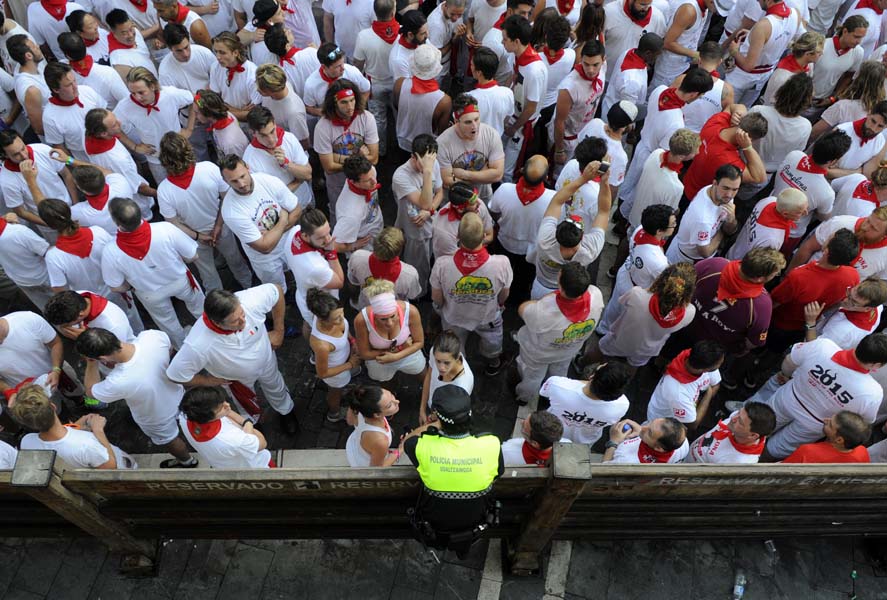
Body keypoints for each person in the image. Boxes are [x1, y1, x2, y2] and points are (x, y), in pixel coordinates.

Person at [166, 285, 300, 434]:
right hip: (237, 381)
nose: (243, 321)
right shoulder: (198, 344)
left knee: (276, 385)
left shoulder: (250, 301)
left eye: (242, 314)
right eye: (235, 321)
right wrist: (208, 381)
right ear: (217, 323)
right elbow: (175, 374)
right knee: (244, 403)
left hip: (267, 360)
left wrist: (278, 331)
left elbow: (277, 291)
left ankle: (285, 410)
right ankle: (252, 423)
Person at [747, 333, 886, 460]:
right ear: (877, 365)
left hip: (789, 398)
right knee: (776, 449)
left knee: (756, 426)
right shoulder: (872, 393)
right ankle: (752, 466)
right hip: (814, 424)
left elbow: (789, 363)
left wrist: (787, 375)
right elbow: (862, 422)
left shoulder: (823, 346)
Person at [403, 384, 503, 558]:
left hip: (433, 525)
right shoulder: (491, 444)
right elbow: (498, 473)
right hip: (474, 523)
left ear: (436, 416)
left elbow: (408, 441)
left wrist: (433, 424)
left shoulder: (420, 446)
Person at [78, 327, 197, 468]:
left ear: (103, 358)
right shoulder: (152, 336)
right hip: (178, 395)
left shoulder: (117, 381)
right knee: (192, 420)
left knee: (169, 439)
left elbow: (91, 391)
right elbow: (169, 348)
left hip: (154, 415)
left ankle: (187, 461)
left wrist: (91, 363)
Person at [101, 197, 204, 350]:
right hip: (180, 280)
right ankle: (211, 331)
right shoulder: (165, 229)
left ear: (116, 222)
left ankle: (183, 347)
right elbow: (193, 256)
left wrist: (132, 286)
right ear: (139, 212)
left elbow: (116, 287)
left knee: (168, 323)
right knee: (200, 308)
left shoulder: (110, 251)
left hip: (149, 292)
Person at [157, 132, 253, 292]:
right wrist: (217, 227)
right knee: (235, 260)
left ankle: (220, 305)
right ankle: (248, 286)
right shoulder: (209, 168)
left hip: (194, 238)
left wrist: (199, 236)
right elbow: (226, 199)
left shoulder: (163, 190)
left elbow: (173, 223)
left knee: (207, 273)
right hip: (222, 227)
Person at [431, 212, 513, 376]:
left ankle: (458, 370)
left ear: (458, 236)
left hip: (453, 316)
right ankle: (493, 363)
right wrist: (499, 305)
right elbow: (504, 294)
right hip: (487, 316)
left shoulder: (442, 264)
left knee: (455, 344)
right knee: (492, 341)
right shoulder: (501, 263)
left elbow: (436, 298)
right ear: (484, 236)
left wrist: (441, 309)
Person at [618, 68, 713, 206]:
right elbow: (664, 153)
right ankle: (621, 218)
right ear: (693, 94)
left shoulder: (660, 90)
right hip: (652, 156)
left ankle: (618, 212)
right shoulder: (676, 122)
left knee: (629, 182)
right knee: (638, 193)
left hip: (642, 144)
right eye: (700, 96)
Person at [515, 262, 604, 405]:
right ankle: (553, 395)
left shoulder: (544, 310)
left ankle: (524, 397)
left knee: (532, 377)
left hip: (539, 353)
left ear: (561, 288)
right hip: (569, 350)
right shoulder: (596, 295)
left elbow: (522, 309)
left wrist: (547, 298)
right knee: (559, 373)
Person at [767, 229, 861, 352]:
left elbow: (773, 302)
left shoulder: (799, 277)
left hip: (778, 323)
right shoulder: (853, 276)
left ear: (826, 251)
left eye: (828, 238)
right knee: (775, 352)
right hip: (804, 327)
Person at [527, 163, 609, 299]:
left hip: (541, 288)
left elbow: (557, 201)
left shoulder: (545, 239)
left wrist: (583, 178)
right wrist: (604, 182)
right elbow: (604, 212)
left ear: (556, 232)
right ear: (582, 237)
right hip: (570, 294)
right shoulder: (589, 250)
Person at [219, 154, 302, 289]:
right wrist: (283, 218)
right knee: (277, 291)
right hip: (266, 260)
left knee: (300, 276)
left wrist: (270, 235)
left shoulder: (268, 181)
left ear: (248, 168)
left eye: (242, 176)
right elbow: (264, 247)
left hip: (290, 242)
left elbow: (297, 210)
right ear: (225, 181)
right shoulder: (230, 210)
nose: (241, 184)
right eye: (234, 181)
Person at [595, 262, 697, 371]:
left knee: (601, 350)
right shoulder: (690, 312)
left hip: (621, 338)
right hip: (647, 349)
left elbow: (622, 303)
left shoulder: (637, 295)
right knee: (632, 367)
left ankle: (581, 363)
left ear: (662, 279)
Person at [12, 384, 137, 469]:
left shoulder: (26, 442)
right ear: (53, 407)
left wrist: (75, 427)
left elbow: (57, 441)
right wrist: (98, 431)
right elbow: (111, 467)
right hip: (120, 467)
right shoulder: (86, 444)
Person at [771, 129, 852, 255]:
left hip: (768, 209)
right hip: (789, 234)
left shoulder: (794, 155)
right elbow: (823, 217)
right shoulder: (826, 192)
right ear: (833, 161)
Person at [600, 204, 676, 335]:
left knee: (613, 307)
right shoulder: (657, 261)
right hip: (634, 287)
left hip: (627, 272)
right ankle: (609, 334)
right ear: (659, 231)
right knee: (623, 317)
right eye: (673, 224)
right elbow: (665, 282)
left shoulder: (641, 229)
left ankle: (603, 328)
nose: (675, 226)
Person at [314, 79, 380, 223]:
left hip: (366, 180)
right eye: (344, 102)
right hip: (338, 184)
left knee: (370, 214)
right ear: (334, 103)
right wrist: (360, 157)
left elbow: (374, 158)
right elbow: (329, 168)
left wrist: (336, 157)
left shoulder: (367, 118)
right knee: (339, 215)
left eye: (352, 100)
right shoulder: (322, 127)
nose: (350, 106)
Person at [115, 68, 194, 184]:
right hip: (155, 158)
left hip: (180, 151)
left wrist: (189, 129)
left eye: (141, 92)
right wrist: (134, 147)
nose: (137, 97)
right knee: (165, 187)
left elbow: (196, 99)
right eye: (133, 93)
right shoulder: (125, 106)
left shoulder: (170, 94)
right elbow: (112, 127)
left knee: (190, 183)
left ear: (152, 86)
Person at [681, 107, 769, 204]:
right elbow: (760, 177)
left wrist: (737, 112)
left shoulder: (717, 122)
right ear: (749, 138)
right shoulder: (728, 160)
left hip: (686, 180)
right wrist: (748, 147)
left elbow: (732, 106)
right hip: (699, 199)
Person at [724, 0, 803, 107]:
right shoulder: (795, 14)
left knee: (723, 111)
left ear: (769, 2)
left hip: (740, 78)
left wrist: (734, 50)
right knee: (743, 111)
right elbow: (780, 38)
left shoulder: (763, 26)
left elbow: (748, 66)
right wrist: (754, 36)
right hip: (762, 76)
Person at [0, 129, 75, 240]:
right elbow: (20, 211)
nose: (24, 156)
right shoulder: (6, 179)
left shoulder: (42, 150)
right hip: (48, 226)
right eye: (16, 154)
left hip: (71, 209)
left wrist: (76, 203)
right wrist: (50, 224)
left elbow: (66, 174)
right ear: (4, 155)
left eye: (23, 148)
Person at [391, 134, 443, 292]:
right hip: (414, 231)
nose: (430, 165)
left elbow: (439, 192)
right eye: (425, 162)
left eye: (431, 161)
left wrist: (431, 211)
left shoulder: (432, 163)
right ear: (413, 156)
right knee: (417, 267)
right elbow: (424, 203)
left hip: (432, 224)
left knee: (432, 259)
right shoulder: (401, 176)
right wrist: (427, 172)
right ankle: (417, 294)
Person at [179, 386, 273, 469]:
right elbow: (262, 442)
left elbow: (227, 412)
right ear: (209, 417)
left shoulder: (186, 416)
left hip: (225, 465)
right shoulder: (232, 440)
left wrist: (242, 422)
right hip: (256, 466)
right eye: (221, 408)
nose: (227, 405)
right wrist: (248, 423)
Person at [501, 15, 547, 183]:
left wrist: (514, 127)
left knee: (508, 170)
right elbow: (513, 77)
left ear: (517, 41)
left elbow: (531, 107)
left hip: (522, 123)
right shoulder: (518, 56)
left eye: (505, 39)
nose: (502, 43)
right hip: (513, 113)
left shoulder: (534, 71)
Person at [666, 164, 742, 264]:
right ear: (715, 183)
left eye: (735, 189)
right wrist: (722, 232)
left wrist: (731, 219)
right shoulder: (702, 218)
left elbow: (731, 229)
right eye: (726, 188)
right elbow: (705, 252)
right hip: (686, 260)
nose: (729, 195)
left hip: (700, 247)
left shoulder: (718, 193)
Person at [437, 93, 506, 203]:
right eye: (468, 122)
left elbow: (497, 174)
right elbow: (447, 180)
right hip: (454, 202)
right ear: (456, 122)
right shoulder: (442, 143)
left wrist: (464, 174)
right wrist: (485, 173)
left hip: (483, 197)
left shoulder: (491, 135)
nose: (474, 126)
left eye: (476, 119)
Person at [355, 279, 427, 384]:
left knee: (422, 373)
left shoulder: (411, 311)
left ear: (398, 311)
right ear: (374, 316)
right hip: (382, 360)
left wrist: (395, 356)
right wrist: (399, 350)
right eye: (383, 319)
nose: (389, 323)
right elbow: (364, 353)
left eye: (393, 316)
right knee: (385, 383)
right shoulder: (361, 320)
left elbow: (420, 342)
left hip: (401, 355)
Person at [541, 362, 632, 445]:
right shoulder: (622, 405)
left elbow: (543, 393)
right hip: (586, 442)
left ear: (592, 376)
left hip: (552, 432)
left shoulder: (559, 385)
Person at [0, 311, 78, 406]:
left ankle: (85, 403)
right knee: (53, 412)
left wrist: (56, 370)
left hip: (58, 369)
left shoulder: (27, 319)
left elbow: (55, 343)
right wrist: (9, 391)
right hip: (30, 391)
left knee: (76, 392)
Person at [788, 206, 887, 280]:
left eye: (873, 228)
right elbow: (808, 248)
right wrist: (787, 276)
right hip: (804, 278)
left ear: (884, 236)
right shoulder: (841, 222)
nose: (865, 227)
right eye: (868, 220)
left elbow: (876, 284)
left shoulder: (884, 255)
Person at [353, 0, 399, 157]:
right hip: (397, 83)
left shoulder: (363, 36)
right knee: (399, 115)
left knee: (378, 119)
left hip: (375, 84)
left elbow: (357, 64)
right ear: (393, 12)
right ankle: (401, 145)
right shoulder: (402, 33)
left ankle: (380, 150)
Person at [284, 208, 343, 330]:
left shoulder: (295, 231)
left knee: (310, 326)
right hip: (320, 305)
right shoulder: (315, 267)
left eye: (328, 232)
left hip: (304, 293)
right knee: (329, 331)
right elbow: (339, 282)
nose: (328, 239)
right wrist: (332, 252)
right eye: (321, 237)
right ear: (305, 236)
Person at [243, 106, 313, 207]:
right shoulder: (250, 158)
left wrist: (287, 164)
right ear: (253, 133)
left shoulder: (289, 138)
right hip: (282, 210)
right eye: (264, 135)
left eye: (272, 131)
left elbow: (307, 175)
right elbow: (266, 197)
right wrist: (296, 183)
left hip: (305, 201)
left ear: (275, 123)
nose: (271, 140)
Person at [308, 289, 361, 423]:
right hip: (336, 372)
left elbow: (344, 330)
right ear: (321, 319)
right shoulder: (321, 344)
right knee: (335, 391)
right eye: (337, 318)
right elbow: (323, 373)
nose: (342, 319)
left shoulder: (332, 315)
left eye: (342, 314)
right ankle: (334, 413)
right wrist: (350, 364)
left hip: (346, 360)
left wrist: (352, 340)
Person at [549, 40, 605, 166]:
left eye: (595, 65)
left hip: (583, 131)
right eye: (586, 64)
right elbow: (559, 121)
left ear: (603, 60)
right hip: (567, 138)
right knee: (559, 171)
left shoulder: (603, 69)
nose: (591, 70)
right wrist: (559, 150)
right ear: (581, 60)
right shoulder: (569, 87)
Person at [646, 340, 724, 431]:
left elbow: (716, 383)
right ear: (706, 369)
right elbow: (692, 424)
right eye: (719, 364)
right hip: (661, 424)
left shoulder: (694, 357)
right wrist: (708, 394)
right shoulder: (678, 393)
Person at [41, 62, 106, 163]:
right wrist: (74, 166)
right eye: (69, 85)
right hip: (86, 160)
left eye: (74, 80)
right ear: (56, 89)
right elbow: (60, 149)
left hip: (109, 147)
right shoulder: (50, 117)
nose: (75, 86)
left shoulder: (87, 91)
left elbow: (107, 114)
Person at [393, 44, 451, 154]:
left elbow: (397, 107)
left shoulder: (399, 84)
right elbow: (442, 132)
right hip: (426, 149)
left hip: (403, 141)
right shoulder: (444, 101)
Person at [348, 227, 422, 309]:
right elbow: (413, 295)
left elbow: (353, 282)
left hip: (367, 307)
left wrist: (354, 301)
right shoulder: (409, 274)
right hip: (393, 312)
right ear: (399, 251)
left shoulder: (357, 257)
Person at [725, 189, 809, 260]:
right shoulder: (772, 239)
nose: (806, 213)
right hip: (737, 265)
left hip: (734, 250)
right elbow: (755, 265)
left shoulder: (769, 201)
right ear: (785, 214)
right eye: (800, 212)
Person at [650, 0, 714, 90]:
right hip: (668, 66)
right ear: (711, 2)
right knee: (656, 93)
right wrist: (694, 54)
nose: (717, 13)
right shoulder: (689, 11)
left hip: (681, 64)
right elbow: (667, 43)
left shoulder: (704, 9)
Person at [57, 32, 129, 109]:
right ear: (84, 44)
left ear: (67, 55)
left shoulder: (63, 75)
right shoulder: (108, 72)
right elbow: (126, 100)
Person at [688, 402, 776, 464]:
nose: (733, 417)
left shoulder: (737, 463)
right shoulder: (739, 418)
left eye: (740, 422)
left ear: (753, 435)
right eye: (738, 412)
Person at [813, 278, 887, 349]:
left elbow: (814, 347)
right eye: (849, 293)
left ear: (867, 309)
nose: (845, 300)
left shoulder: (842, 331)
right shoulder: (877, 305)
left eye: (853, 302)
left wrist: (810, 323)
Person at [0, 212, 53, 312]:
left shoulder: (15, 231)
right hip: (46, 277)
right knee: (69, 304)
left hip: (23, 282)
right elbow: (48, 252)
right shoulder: (19, 231)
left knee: (49, 311)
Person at [602, 33, 662, 119]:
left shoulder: (629, 52)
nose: (657, 58)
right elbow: (627, 111)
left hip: (611, 102)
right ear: (648, 53)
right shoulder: (632, 81)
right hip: (617, 119)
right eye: (657, 55)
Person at [420, 330, 475, 425]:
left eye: (446, 363)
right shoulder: (435, 352)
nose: (441, 367)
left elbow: (452, 413)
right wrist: (422, 409)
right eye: (438, 361)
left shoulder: (463, 386)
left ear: (457, 358)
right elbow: (429, 376)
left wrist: (432, 420)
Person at [602, 0, 667, 81]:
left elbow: (658, 45)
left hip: (633, 80)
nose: (646, 9)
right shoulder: (609, 12)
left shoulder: (657, 18)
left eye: (649, 4)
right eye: (642, 4)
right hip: (605, 74)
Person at [333, 155, 384, 255]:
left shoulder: (369, 172)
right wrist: (353, 245)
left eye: (373, 176)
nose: (374, 181)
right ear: (353, 182)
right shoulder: (351, 215)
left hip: (376, 229)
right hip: (365, 248)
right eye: (368, 180)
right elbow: (335, 245)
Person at [432, 180, 496, 258]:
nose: (479, 204)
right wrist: (477, 244)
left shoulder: (479, 206)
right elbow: (450, 261)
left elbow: (490, 235)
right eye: (473, 203)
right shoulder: (444, 231)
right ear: (461, 209)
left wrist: (473, 245)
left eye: (477, 199)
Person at [302, 43, 372, 115]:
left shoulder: (352, 72)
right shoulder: (311, 84)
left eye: (343, 63)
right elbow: (309, 108)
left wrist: (357, 110)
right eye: (338, 66)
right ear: (324, 67)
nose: (343, 68)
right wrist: (328, 114)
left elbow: (366, 90)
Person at [345, 385, 405, 467]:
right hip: (365, 463)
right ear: (377, 414)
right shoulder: (381, 441)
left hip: (355, 446)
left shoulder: (359, 407)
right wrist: (401, 449)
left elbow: (350, 421)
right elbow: (378, 468)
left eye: (391, 395)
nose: (397, 401)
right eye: (389, 405)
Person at [43, 290, 136, 343]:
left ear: (80, 315)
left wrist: (85, 340)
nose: (64, 328)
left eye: (66, 325)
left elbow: (113, 359)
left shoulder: (112, 325)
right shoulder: (78, 296)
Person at [782, 411, 872, 463]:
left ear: (839, 440)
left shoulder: (808, 451)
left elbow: (781, 472)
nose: (825, 420)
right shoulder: (862, 452)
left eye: (830, 424)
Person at [208, 32, 260, 122]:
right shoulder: (215, 67)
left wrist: (225, 109)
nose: (218, 57)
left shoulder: (252, 74)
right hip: (226, 119)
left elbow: (254, 113)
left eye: (222, 53)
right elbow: (215, 100)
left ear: (235, 52)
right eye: (216, 52)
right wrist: (239, 112)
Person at [829, 102, 887, 179]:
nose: (873, 128)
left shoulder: (881, 143)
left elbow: (867, 175)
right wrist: (857, 172)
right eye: (873, 121)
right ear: (869, 113)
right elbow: (824, 170)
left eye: (880, 126)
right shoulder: (841, 130)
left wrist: (837, 172)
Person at [469, 47, 514, 136]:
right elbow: (507, 117)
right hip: (496, 141)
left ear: (479, 73)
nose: (470, 67)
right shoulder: (507, 93)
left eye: (472, 65)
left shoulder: (469, 98)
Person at [603, 417, 689, 463]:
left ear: (658, 448)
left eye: (650, 432)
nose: (643, 427)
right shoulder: (682, 443)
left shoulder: (626, 460)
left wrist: (613, 442)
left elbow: (604, 470)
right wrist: (640, 431)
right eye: (650, 423)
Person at [193, 88, 249, 157]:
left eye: (197, 113)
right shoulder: (224, 116)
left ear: (208, 114)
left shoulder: (230, 144)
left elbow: (236, 165)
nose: (195, 116)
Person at [389, 10, 430, 83]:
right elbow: (405, 89)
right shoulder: (399, 60)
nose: (427, 35)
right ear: (410, 35)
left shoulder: (420, 39)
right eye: (423, 33)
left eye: (427, 31)